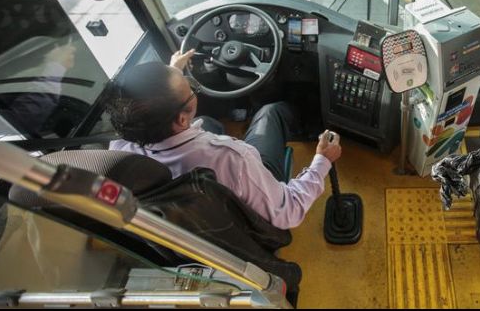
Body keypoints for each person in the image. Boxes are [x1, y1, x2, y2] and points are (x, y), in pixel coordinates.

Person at [106, 49, 342, 230]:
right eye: (190, 89)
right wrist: (321, 162)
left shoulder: (119, 153)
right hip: (251, 214)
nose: (191, 88)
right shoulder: (233, 158)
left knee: (209, 122)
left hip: (202, 212)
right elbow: (289, 211)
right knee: (270, 113)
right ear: (181, 119)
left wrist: (172, 72)